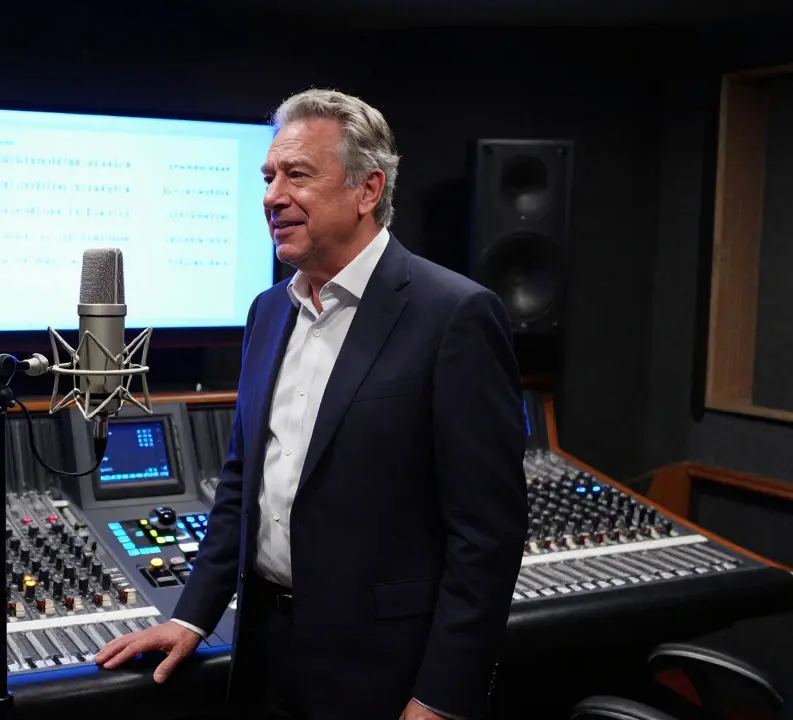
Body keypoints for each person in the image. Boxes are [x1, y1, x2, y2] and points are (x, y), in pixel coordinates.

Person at [95, 88, 527, 720]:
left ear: (367, 189)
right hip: (266, 654)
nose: (273, 196)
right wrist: (191, 616)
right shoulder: (269, 311)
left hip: (384, 672)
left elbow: (488, 535)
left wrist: (442, 697)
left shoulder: (454, 314)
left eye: (297, 175)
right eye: (268, 176)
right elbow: (243, 483)